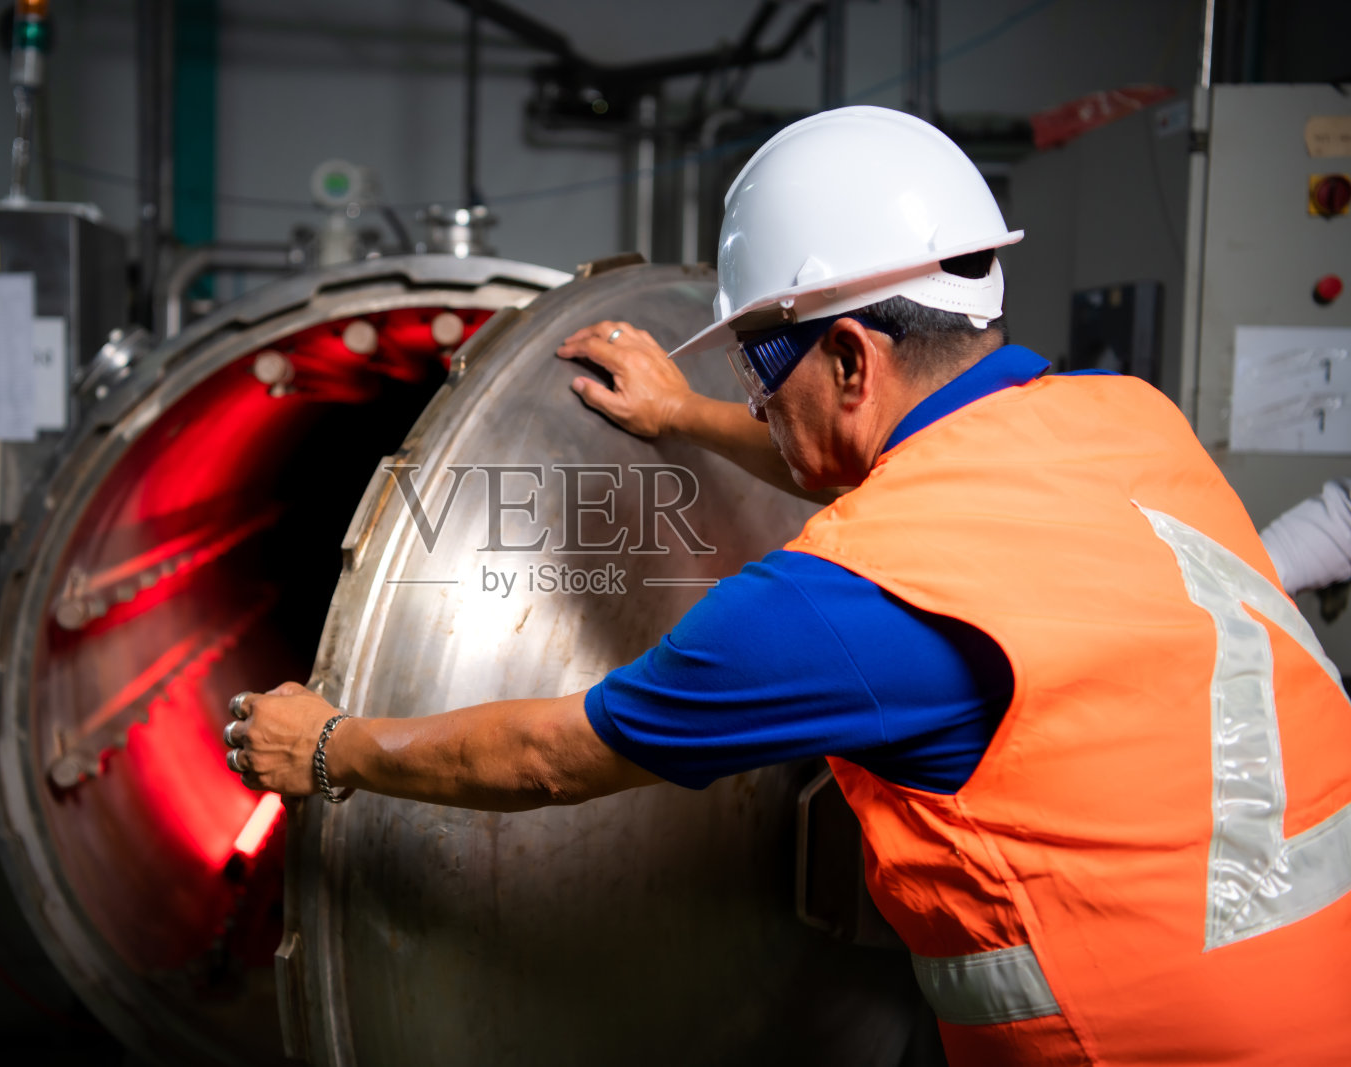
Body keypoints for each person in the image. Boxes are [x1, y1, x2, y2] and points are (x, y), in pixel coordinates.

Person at [222, 107, 1351, 1064]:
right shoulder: (1122, 417)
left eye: (762, 363)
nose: (755, 398)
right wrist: (683, 417)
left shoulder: (828, 609)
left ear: (853, 357)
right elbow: (895, 460)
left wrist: (330, 747)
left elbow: (547, 755)